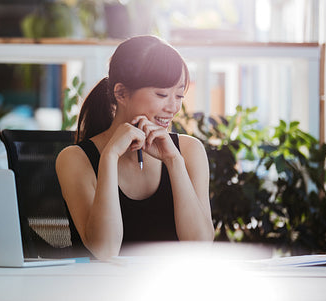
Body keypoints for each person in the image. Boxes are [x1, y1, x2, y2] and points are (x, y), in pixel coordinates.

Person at [56, 35, 214, 260]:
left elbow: (199, 247)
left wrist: (173, 161)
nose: (173, 107)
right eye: (161, 94)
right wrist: (109, 156)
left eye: (179, 95)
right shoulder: (74, 159)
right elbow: (105, 250)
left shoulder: (189, 151)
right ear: (121, 93)